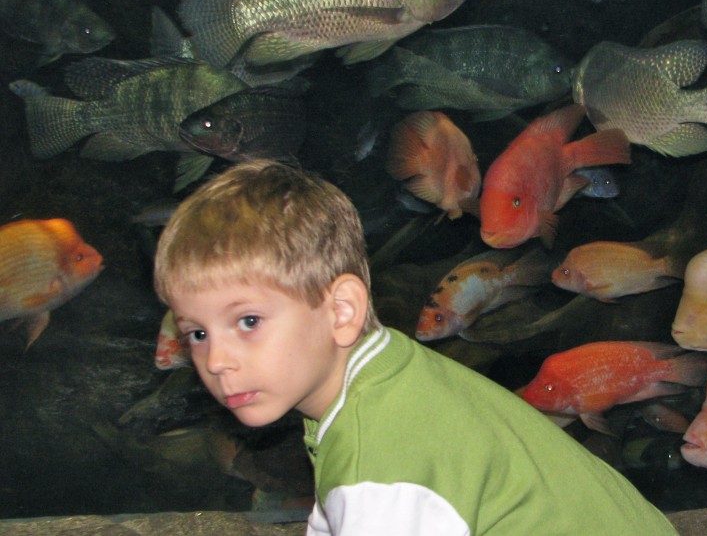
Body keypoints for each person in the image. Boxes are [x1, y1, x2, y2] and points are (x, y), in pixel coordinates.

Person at [152, 160, 678, 535]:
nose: (216, 361)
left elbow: (367, 490)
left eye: (247, 321)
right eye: (196, 332)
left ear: (341, 311)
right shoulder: (389, 371)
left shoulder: (380, 461)